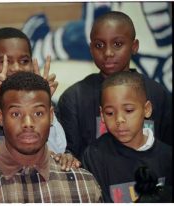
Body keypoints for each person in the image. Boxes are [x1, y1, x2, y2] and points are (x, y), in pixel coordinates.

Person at [0, 71, 102, 203]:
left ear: (50, 116)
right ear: (1, 118)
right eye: (16, 114)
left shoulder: (83, 185)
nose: (28, 123)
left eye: (38, 113)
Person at [0, 27, 80, 172]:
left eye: (24, 61)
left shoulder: (49, 107)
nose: (16, 68)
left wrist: (43, 101)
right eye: (6, 61)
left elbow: (57, 153)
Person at [57, 11, 172, 160]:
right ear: (91, 49)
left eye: (117, 44)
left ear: (134, 46)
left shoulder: (157, 93)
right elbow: (69, 155)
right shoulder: (74, 97)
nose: (108, 52)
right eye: (99, 45)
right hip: (95, 180)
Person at [81, 71, 172, 203]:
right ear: (101, 114)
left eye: (129, 110)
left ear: (147, 109)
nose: (119, 119)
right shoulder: (94, 156)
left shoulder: (167, 156)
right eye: (110, 113)